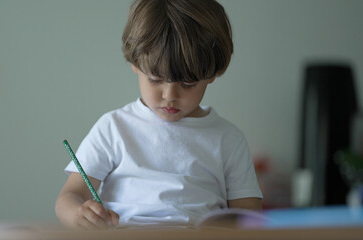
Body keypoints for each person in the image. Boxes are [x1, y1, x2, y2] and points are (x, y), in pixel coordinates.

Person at [55, 0, 262, 229]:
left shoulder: (229, 139)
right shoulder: (113, 127)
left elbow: (248, 215)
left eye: (188, 83)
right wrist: (79, 214)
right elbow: (69, 196)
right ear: (135, 63)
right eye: (155, 80)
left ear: (212, 74)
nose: (170, 95)